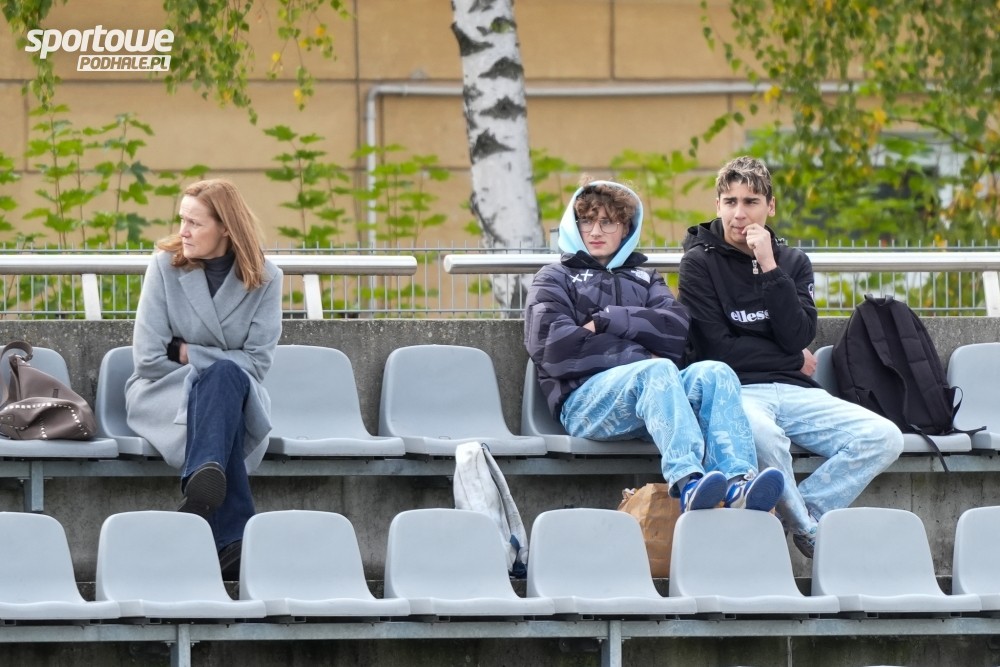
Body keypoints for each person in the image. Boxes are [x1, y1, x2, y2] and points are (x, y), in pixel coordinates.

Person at [678, 156, 904, 557]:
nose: (739, 214)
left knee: (884, 437)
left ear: (771, 206)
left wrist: (768, 266)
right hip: (737, 392)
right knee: (764, 439)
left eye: (750, 202)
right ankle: (807, 529)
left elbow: (799, 334)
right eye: (730, 202)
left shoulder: (793, 261)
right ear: (717, 206)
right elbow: (717, 348)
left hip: (796, 390)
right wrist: (790, 356)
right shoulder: (699, 262)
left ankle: (799, 513)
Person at [524, 178, 784, 513]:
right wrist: (642, 352)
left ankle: (738, 482)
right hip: (583, 403)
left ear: (626, 228)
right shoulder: (554, 277)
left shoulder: (646, 278)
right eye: (586, 221)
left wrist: (608, 320)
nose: (595, 231)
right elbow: (555, 347)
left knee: (715, 373)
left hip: (652, 398)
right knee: (657, 369)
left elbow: (676, 333)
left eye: (608, 222)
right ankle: (689, 482)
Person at [125, 178, 283, 578]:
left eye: (194, 223)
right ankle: (228, 529)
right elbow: (148, 360)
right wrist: (214, 366)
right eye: (182, 220)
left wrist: (187, 352)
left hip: (235, 395)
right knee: (223, 379)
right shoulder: (164, 266)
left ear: (225, 227)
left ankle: (204, 489)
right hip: (163, 393)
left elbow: (256, 364)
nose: (183, 231)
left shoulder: (266, 278)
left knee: (226, 379)